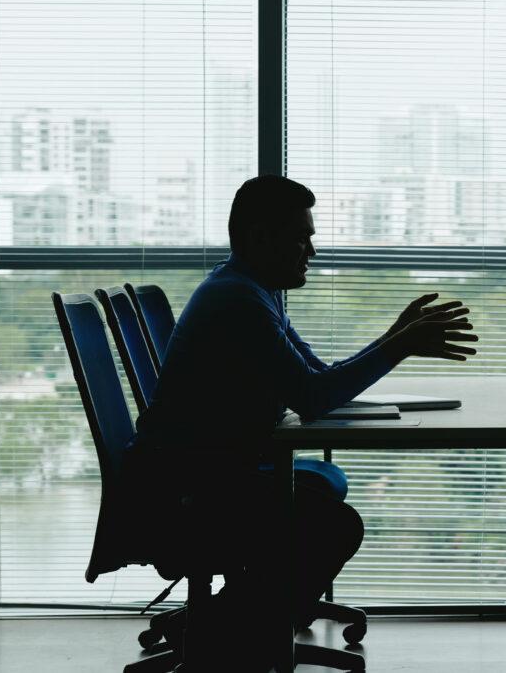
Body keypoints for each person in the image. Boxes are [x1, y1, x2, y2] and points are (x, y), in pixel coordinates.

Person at [125, 175, 477, 665]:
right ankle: (228, 639)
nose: (310, 251)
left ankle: (223, 626)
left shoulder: (252, 292)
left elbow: (318, 377)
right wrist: (401, 346)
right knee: (333, 526)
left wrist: (394, 337)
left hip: (207, 472)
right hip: (193, 487)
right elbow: (314, 398)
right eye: (301, 237)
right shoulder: (238, 301)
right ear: (261, 238)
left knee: (318, 511)